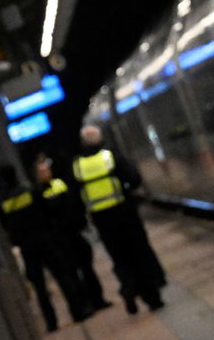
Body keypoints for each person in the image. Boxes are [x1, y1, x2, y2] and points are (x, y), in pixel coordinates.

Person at [71, 125, 166, 313]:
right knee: (138, 254)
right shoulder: (110, 156)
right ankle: (152, 299)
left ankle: (127, 288)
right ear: (100, 139)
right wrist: (125, 189)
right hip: (125, 213)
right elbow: (134, 178)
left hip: (101, 219)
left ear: (83, 142)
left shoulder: (77, 165)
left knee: (119, 258)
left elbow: (76, 196)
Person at [0, 166, 89, 332]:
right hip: (44, 240)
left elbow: (5, 224)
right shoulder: (30, 191)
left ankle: (51, 322)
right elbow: (47, 210)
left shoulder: (3, 201)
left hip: (26, 246)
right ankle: (77, 311)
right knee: (62, 277)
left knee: (39, 286)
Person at [35, 153, 111, 314]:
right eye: (42, 172)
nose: (45, 173)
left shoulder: (59, 184)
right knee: (72, 274)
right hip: (60, 239)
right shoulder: (38, 193)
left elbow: (71, 205)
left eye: (46, 170)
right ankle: (84, 304)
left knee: (87, 267)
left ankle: (97, 300)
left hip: (72, 234)